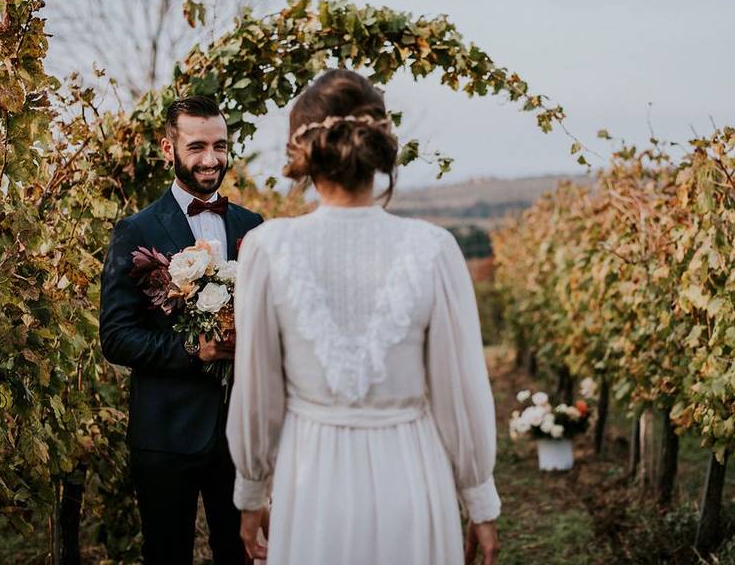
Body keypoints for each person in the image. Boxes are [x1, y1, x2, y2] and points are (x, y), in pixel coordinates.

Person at [226, 69, 501, 564]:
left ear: (302, 151)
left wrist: (250, 493)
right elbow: (458, 391)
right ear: (379, 147)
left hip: (311, 483)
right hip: (414, 476)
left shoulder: (268, 248)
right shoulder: (433, 248)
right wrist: (479, 500)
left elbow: (257, 394)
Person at [99, 95, 263, 563]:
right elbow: (116, 336)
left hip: (240, 433)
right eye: (196, 147)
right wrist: (195, 350)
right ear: (168, 149)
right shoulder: (136, 231)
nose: (211, 159)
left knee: (243, 554)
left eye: (220, 145)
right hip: (165, 434)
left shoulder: (254, 228)